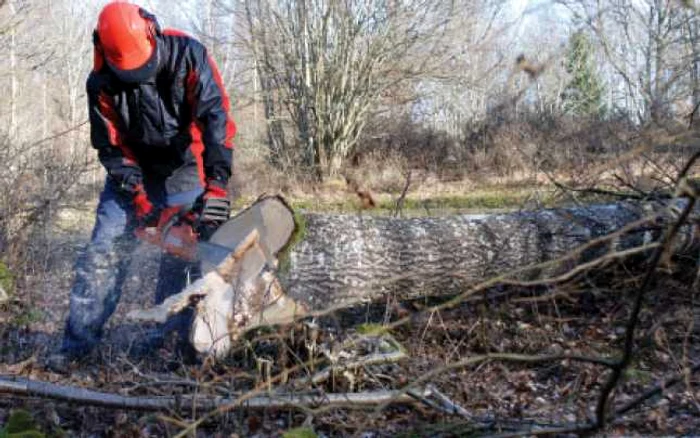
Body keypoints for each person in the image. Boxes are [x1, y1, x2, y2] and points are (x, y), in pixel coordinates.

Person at [47, 1, 236, 371]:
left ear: (153, 31)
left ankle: (168, 342)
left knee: (180, 257)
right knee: (103, 252)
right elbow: (111, 146)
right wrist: (137, 196)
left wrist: (217, 185)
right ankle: (78, 346)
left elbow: (217, 120)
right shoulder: (100, 82)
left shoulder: (189, 55)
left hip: (186, 166)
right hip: (132, 172)